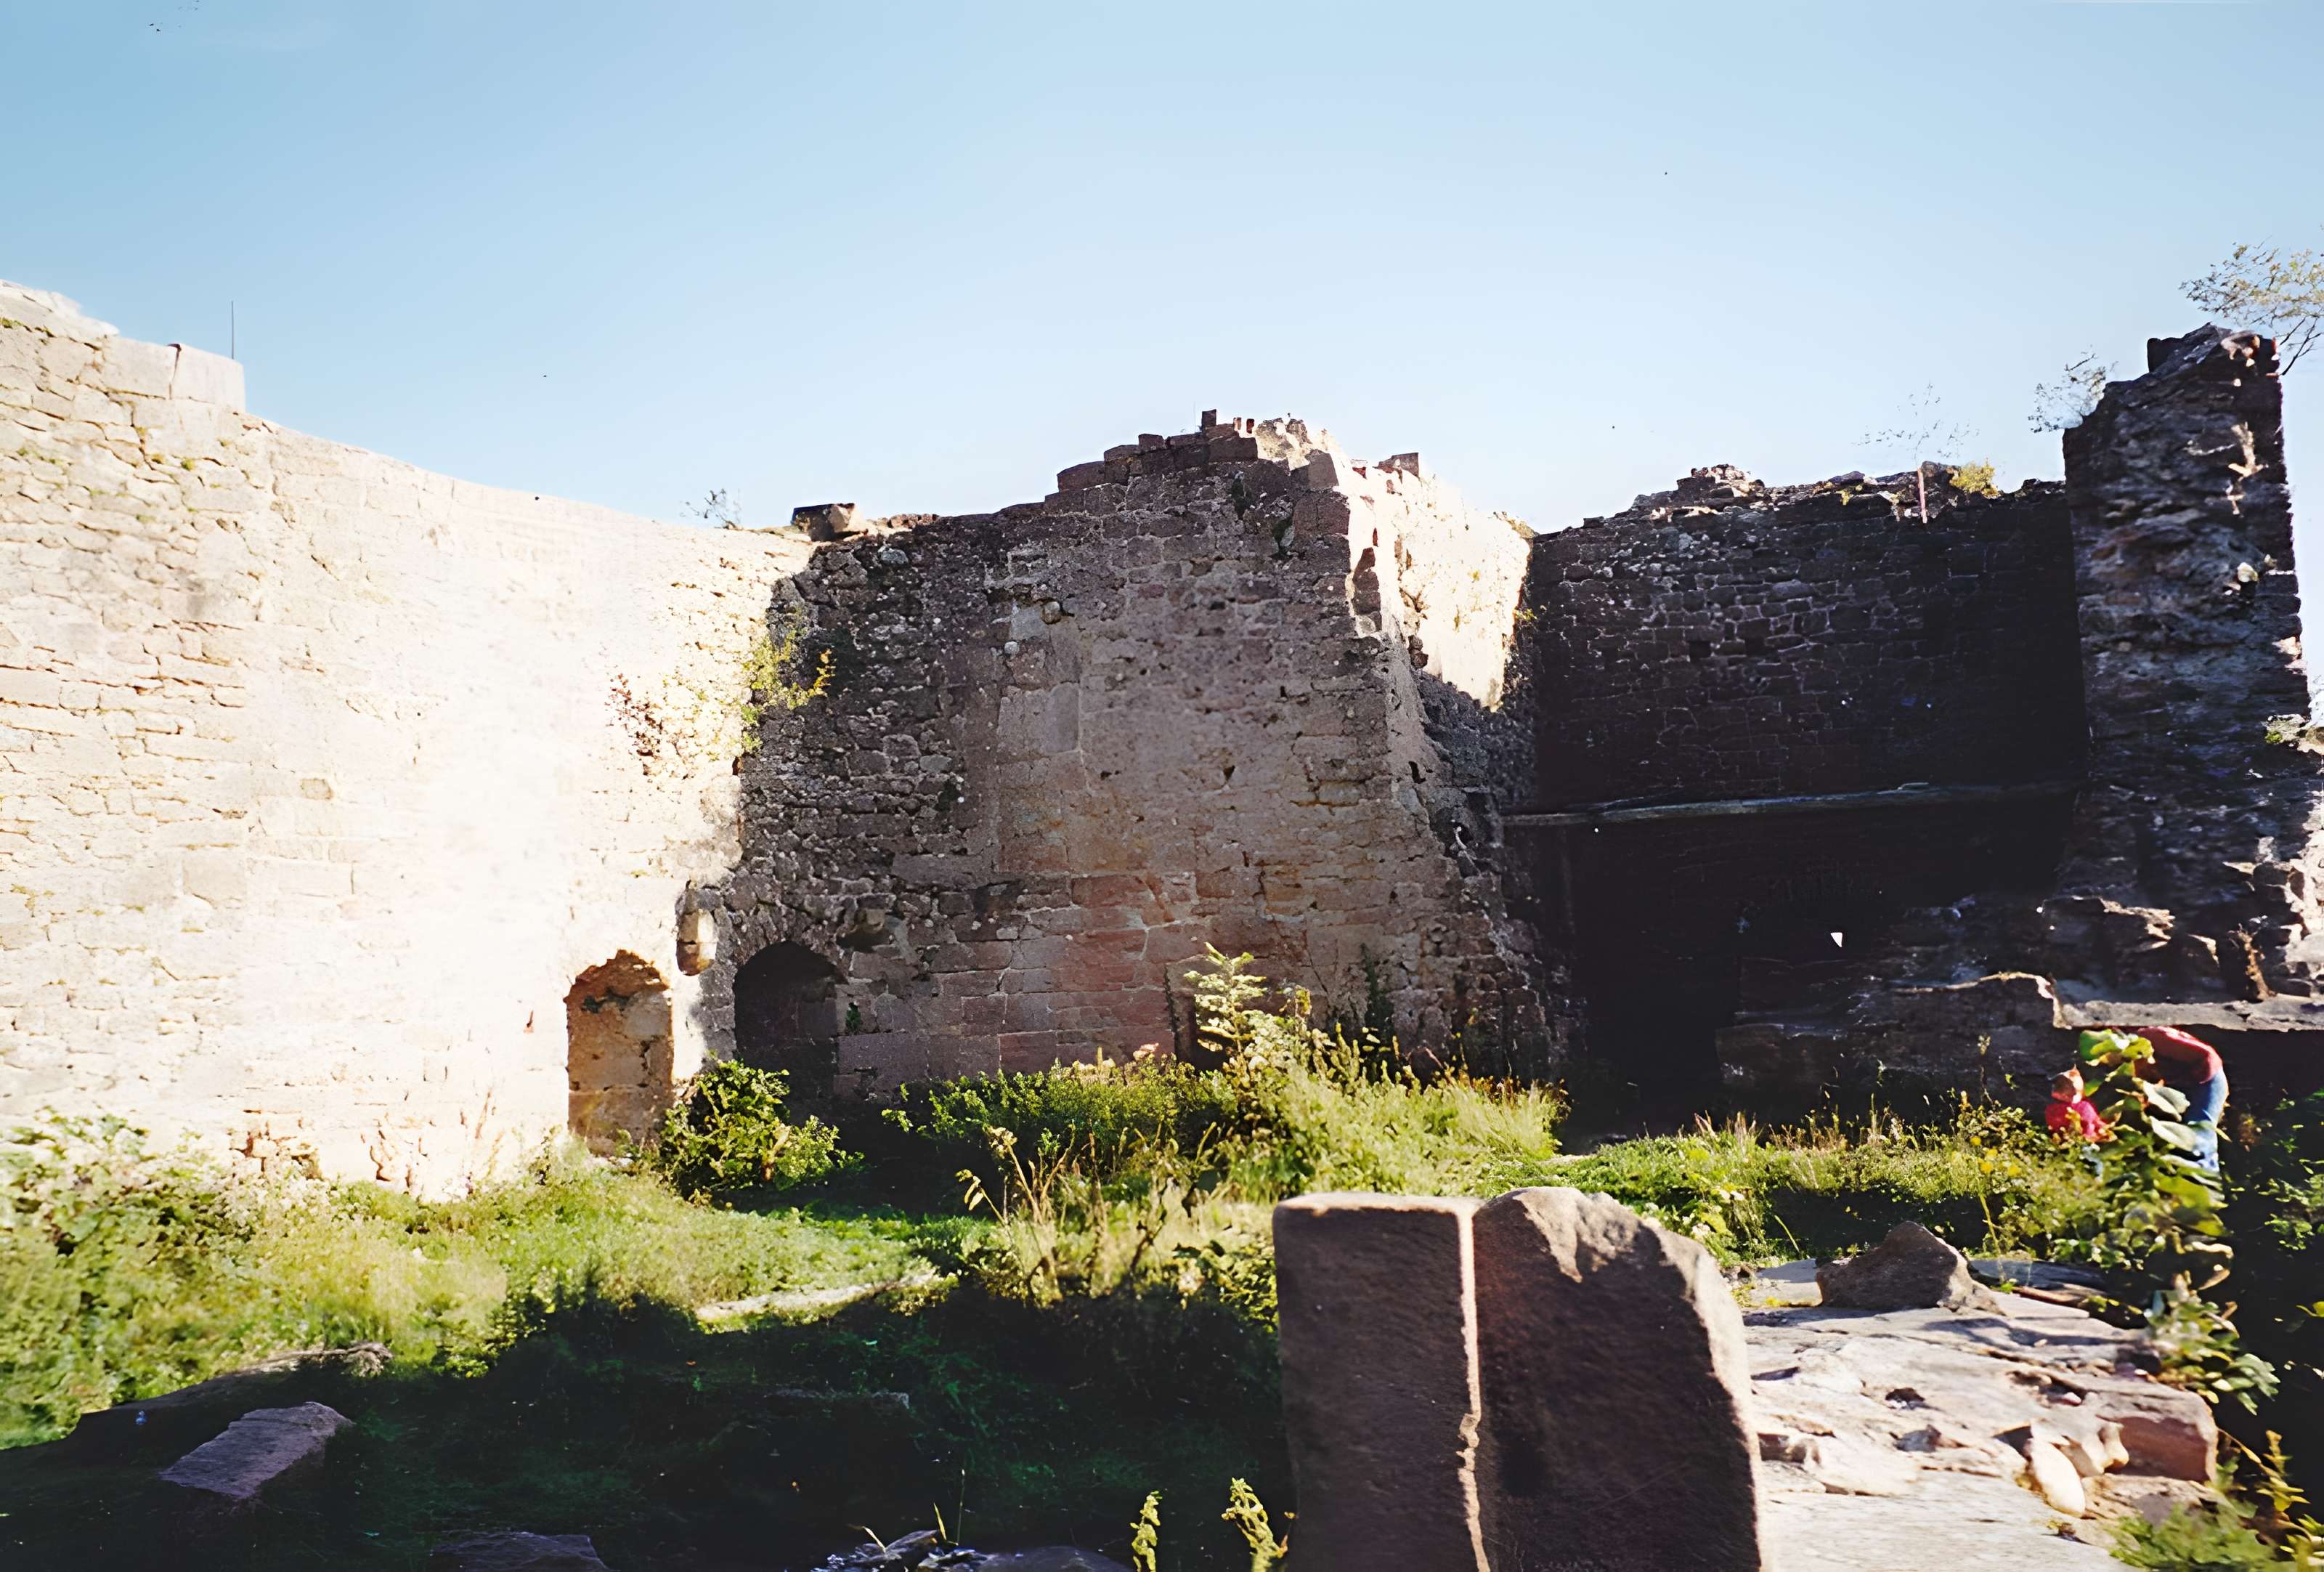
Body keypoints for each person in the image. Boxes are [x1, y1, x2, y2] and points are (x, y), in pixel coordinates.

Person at [2142, 1024, 2230, 1173]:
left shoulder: (2151, 1036)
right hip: (2178, 1082)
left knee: (2199, 1135)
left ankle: (2208, 1179)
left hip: (2207, 1080)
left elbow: (2207, 1056)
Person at [2044, 1066, 2111, 1143]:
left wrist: (2087, 1140)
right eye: (2059, 1085)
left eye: (2064, 1085)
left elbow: (2090, 1125)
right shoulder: (2052, 1108)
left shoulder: (2084, 1107)